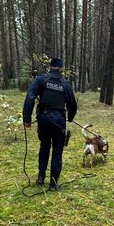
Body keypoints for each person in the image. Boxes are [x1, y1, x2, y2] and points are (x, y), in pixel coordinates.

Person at [23, 58, 77, 191]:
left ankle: (41, 177)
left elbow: (30, 96)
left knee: (44, 146)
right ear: (61, 68)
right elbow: (72, 104)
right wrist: (70, 118)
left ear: (50, 67)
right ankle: (53, 184)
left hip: (43, 118)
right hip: (59, 120)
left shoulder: (41, 80)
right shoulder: (65, 84)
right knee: (57, 150)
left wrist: (27, 118)